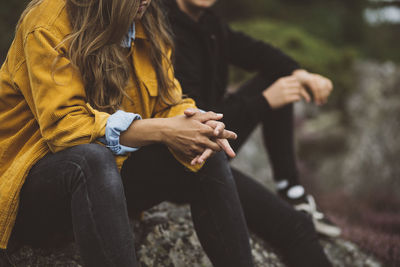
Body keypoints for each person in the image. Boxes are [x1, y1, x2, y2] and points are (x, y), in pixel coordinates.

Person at [0, 0, 256, 266]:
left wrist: (196, 123)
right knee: (91, 159)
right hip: (28, 192)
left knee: (204, 149)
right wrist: (162, 130)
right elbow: (65, 127)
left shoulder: (146, 20)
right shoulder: (48, 22)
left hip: (105, 188)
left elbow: (167, 103)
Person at [165, 0, 341, 237]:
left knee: (280, 78)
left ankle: (291, 190)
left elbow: (257, 51)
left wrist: (301, 74)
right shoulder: (162, 24)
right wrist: (265, 101)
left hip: (212, 143)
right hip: (180, 159)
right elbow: (194, 120)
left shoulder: (208, 23)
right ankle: (290, 195)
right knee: (294, 231)